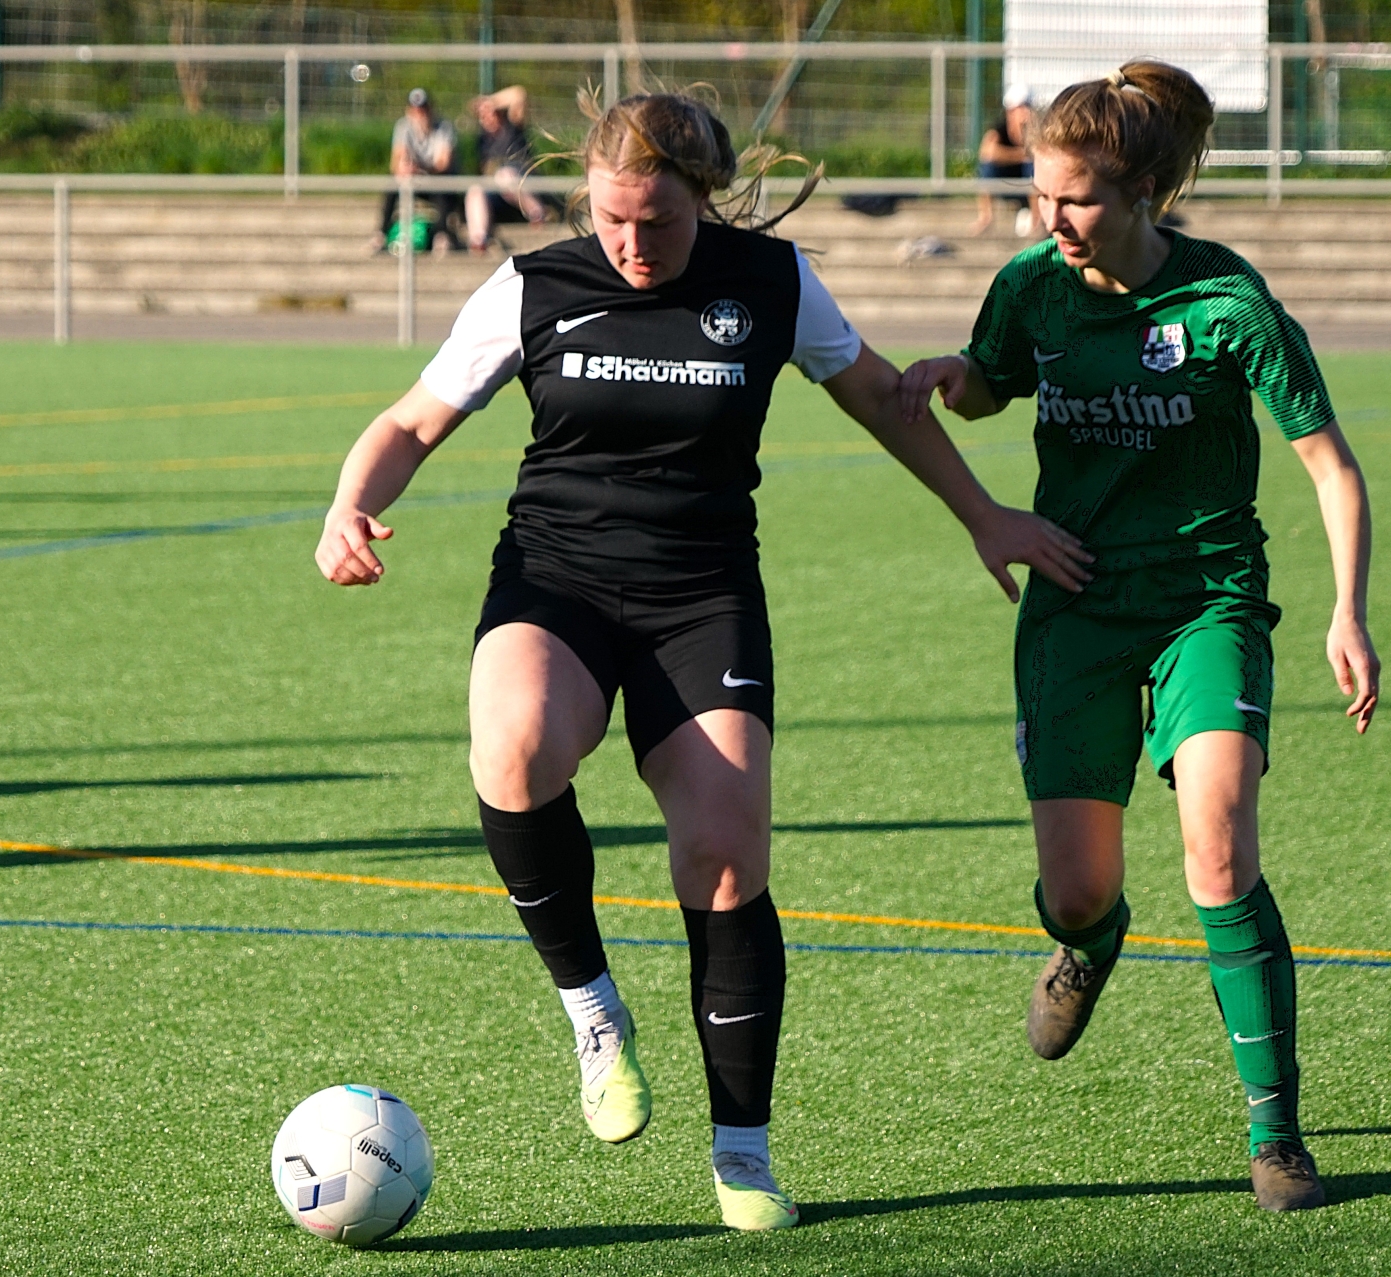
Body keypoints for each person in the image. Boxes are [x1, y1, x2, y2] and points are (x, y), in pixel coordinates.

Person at [316, 91, 1077, 1231]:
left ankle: (743, 1153)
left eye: (659, 222)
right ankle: (593, 1009)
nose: (632, 243)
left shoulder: (771, 282)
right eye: (612, 218)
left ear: (704, 200)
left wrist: (984, 514)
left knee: (723, 860)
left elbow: (881, 398)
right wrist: (349, 504)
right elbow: (412, 422)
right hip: (557, 579)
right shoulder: (531, 286)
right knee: (514, 750)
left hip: (702, 598)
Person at [900, 60, 1380, 1214]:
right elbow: (995, 381)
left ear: (1147, 194)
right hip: (1075, 606)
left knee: (1218, 847)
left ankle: (1277, 1133)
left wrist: (1347, 609)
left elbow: (1331, 465)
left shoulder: (1228, 303)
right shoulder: (1031, 286)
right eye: (1039, 194)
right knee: (1076, 891)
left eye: (1076, 200)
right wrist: (955, 375)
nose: (1051, 218)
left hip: (1205, 601)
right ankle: (1091, 940)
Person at [465, 85, 548, 254]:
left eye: (490, 113)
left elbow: (519, 94)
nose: (487, 118)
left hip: (523, 185)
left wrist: (491, 101)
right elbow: (470, 106)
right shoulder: (483, 140)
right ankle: (479, 239)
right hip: (498, 193)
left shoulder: (512, 127)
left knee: (505, 176)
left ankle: (537, 213)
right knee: (475, 190)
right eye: (483, 115)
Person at [379, 87, 461, 254]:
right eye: (416, 110)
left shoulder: (444, 127)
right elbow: (396, 161)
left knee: (442, 186)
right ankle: (381, 233)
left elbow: (443, 164)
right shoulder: (403, 126)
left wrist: (419, 168)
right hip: (416, 179)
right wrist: (405, 168)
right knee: (393, 184)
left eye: (423, 109)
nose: (420, 114)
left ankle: (442, 235)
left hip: (439, 180)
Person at [971, 83, 1037, 237]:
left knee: (1033, 167)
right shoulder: (999, 129)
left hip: (1027, 180)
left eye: (1027, 106)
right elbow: (987, 152)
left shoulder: (1035, 129)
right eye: (1021, 107)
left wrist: (1024, 134)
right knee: (987, 168)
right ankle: (986, 218)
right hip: (1008, 179)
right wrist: (1020, 155)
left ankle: (1037, 220)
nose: (1026, 111)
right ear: (1010, 111)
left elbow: (1038, 154)